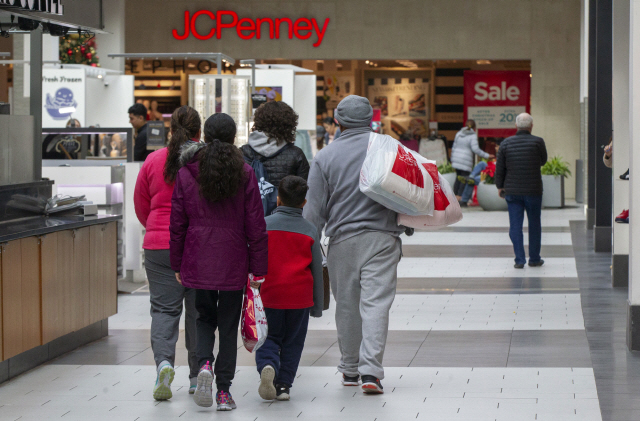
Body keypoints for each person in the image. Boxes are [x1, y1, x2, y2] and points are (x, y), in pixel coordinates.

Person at [305, 95, 405, 395]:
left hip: (343, 241)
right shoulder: (389, 147)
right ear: (371, 120)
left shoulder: (325, 156)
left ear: (338, 121)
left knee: (347, 306)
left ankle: (350, 368)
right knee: (377, 304)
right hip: (384, 238)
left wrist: (310, 247)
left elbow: (313, 210)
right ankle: (371, 372)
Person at [170, 113, 268, 411]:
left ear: (205, 134)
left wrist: (177, 263)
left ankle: (203, 366)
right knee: (227, 325)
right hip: (233, 259)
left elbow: (178, 224)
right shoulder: (245, 172)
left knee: (202, 318)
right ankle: (224, 392)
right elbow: (256, 224)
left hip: (198, 257)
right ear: (234, 135)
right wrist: (259, 267)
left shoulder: (187, 172)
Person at [134, 106, 202, 401]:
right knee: (198, 311)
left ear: (170, 130)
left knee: (163, 310)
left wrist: (154, 228)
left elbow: (141, 204)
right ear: (200, 132)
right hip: (197, 244)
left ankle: (164, 364)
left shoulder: (153, 160)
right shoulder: (205, 160)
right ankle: (197, 376)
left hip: (159, 244)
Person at [256, 175, 324, 402]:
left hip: (269, 294)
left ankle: (268, 364)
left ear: (278, 200)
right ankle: (284, 386)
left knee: (268, 337)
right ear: (304, 203)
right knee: (293, 342)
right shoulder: (310, 230)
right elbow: (316, 269)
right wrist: (317, 306)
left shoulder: (263, 225)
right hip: (299, 297)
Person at [495, 113, 548, 269]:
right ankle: (534, 258)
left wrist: (500, 186)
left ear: (516, 126)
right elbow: (543, 161)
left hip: (513, 191)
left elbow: (500, 168)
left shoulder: (505, 143)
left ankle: (519, 260)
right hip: (533, 190)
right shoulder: (538, 142)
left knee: (515, 226)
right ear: (531, 126)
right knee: (534, 225)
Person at [240, 101, 310, 189]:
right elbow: (304, 190)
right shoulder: (296, 154)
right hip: (285, 203)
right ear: (288, 125)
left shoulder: (243, 152)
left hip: (252, 202)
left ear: (258, 122)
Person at [451, 120, 493, 199]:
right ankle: (460, 197)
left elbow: (454, 147)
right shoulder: (472, 136)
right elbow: (475, 149)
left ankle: (454, 196)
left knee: (458, 178)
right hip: (465, 160)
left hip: (457, 160)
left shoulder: (459, 133)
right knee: (464, 179)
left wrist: (452, 159)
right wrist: (486, 155)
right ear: (474, 128)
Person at [458, 139, 503, 206]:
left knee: (473, 180)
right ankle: (471, 177)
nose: (495, 148)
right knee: (482, 163)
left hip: (495, 176)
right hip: (491, 171)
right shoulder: (499, 155)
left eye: (496, 146)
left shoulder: (503, 155)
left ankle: (464, 200)